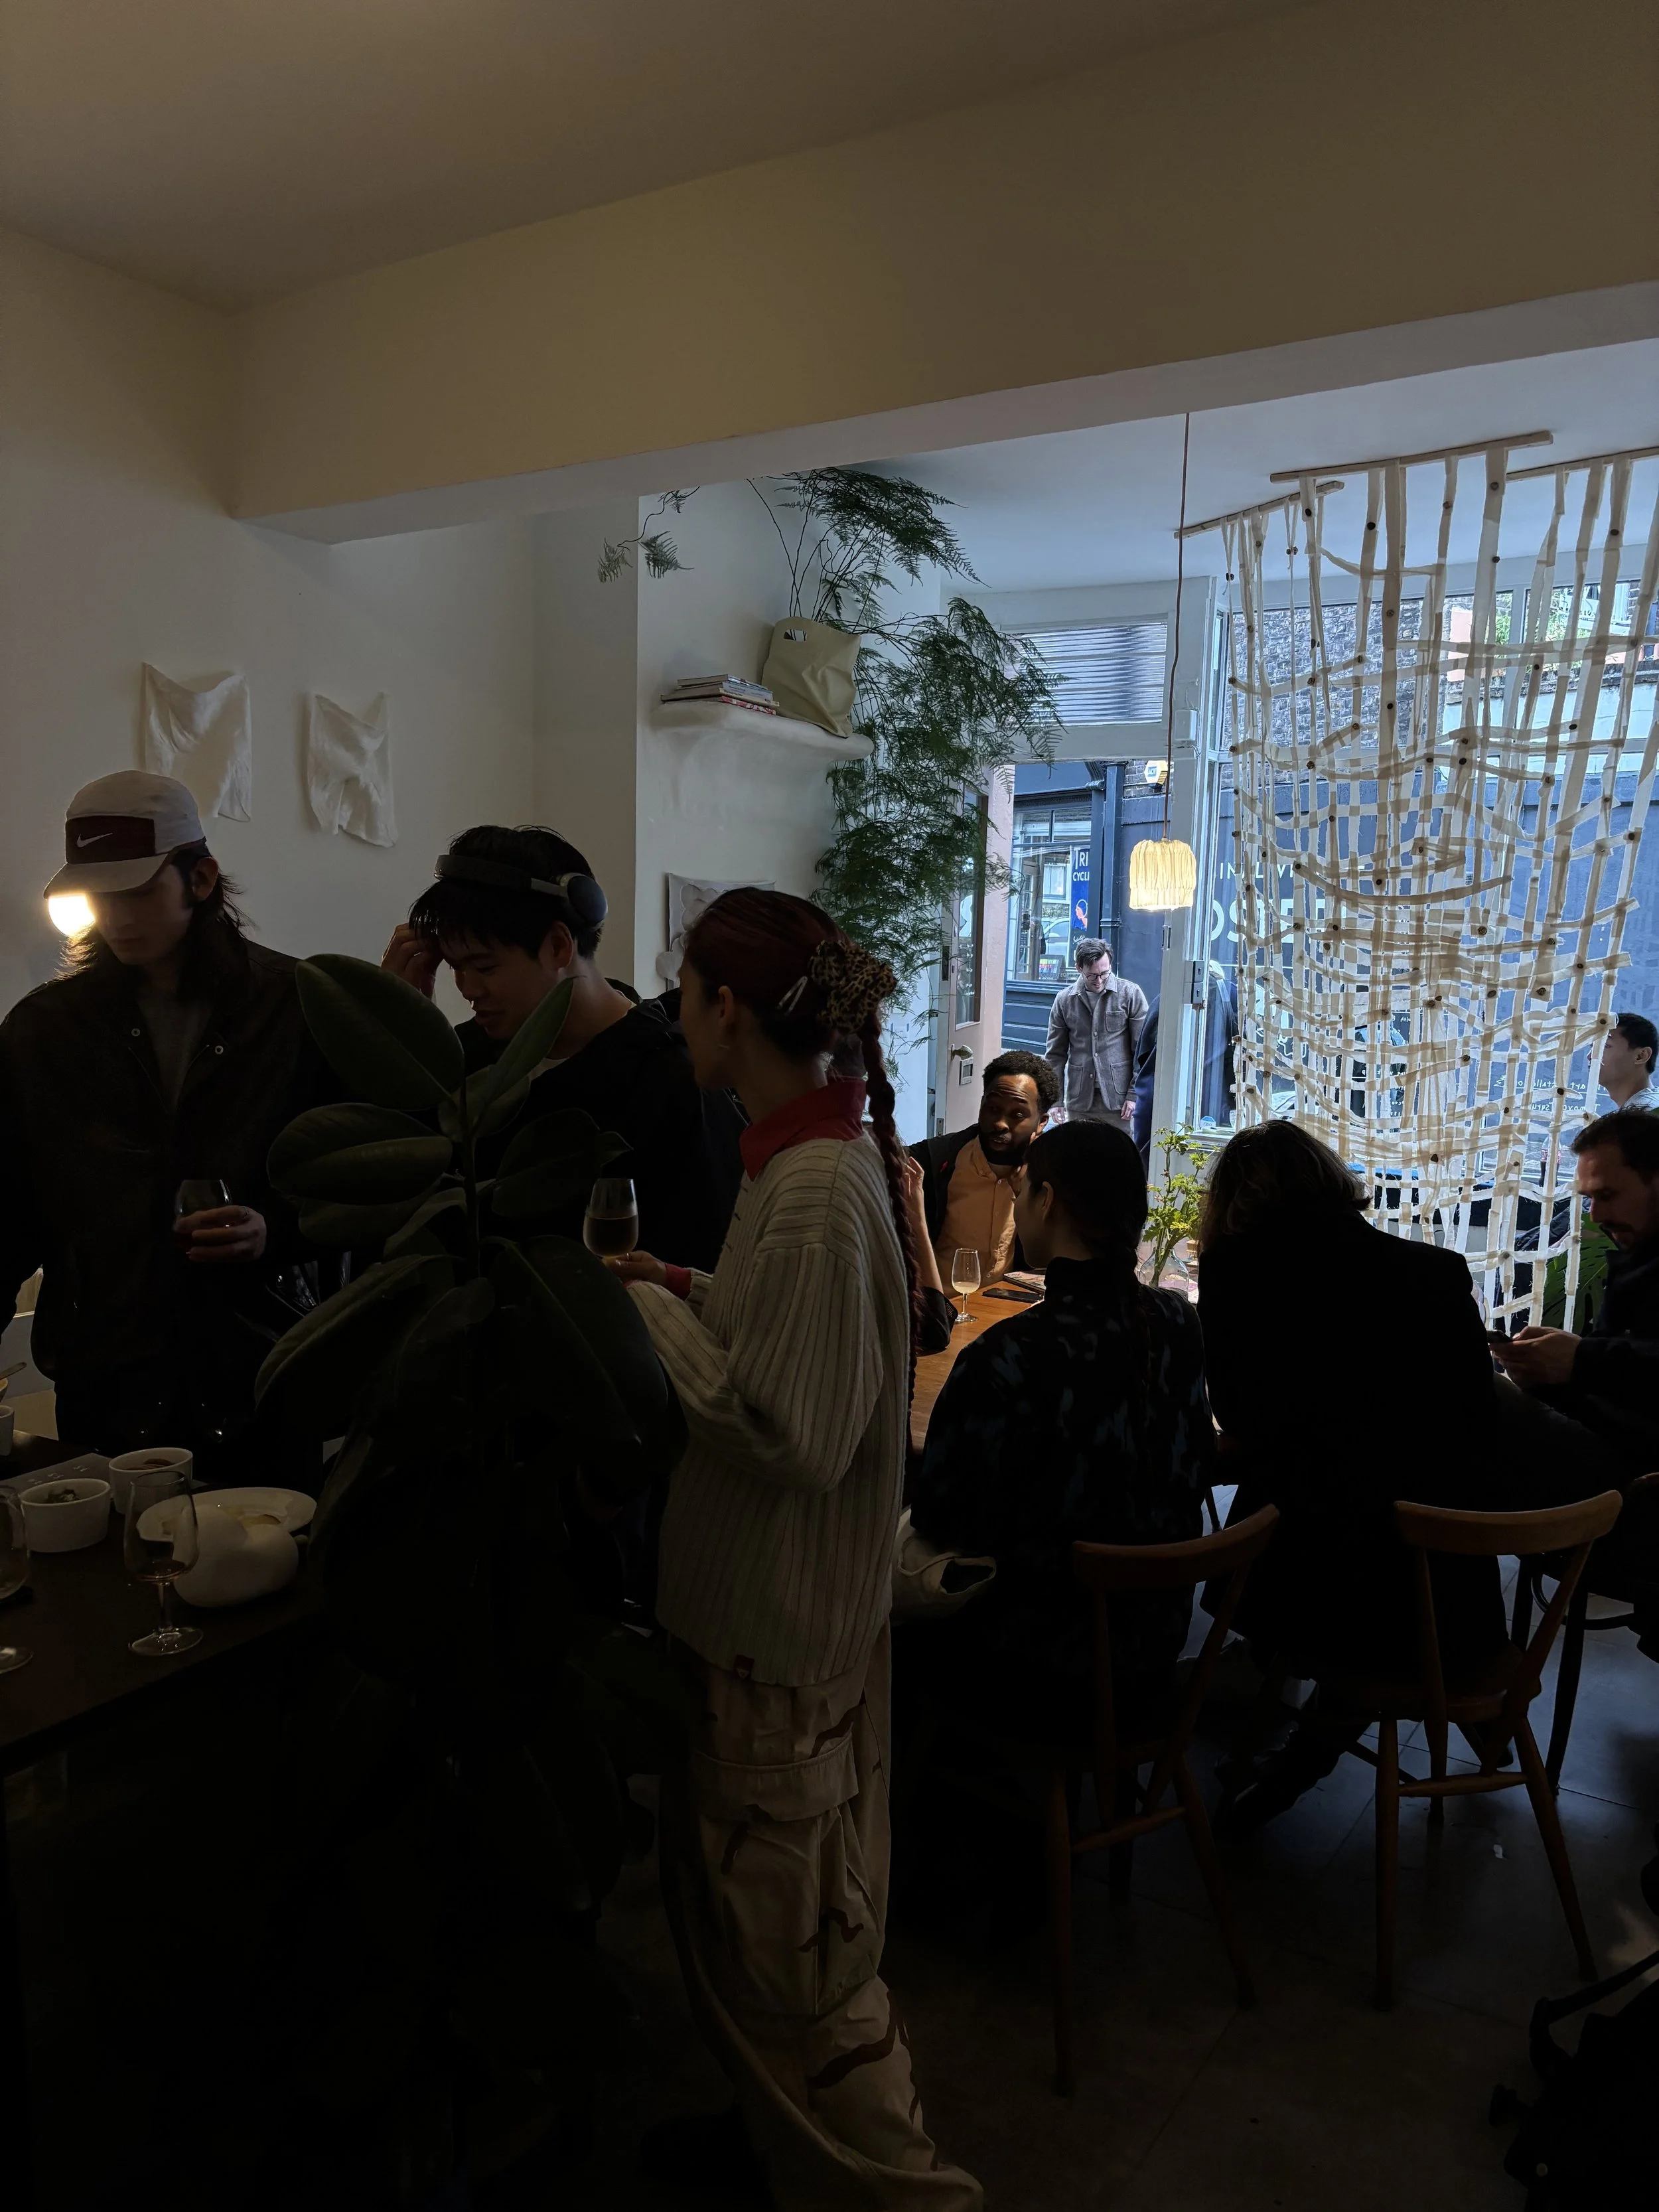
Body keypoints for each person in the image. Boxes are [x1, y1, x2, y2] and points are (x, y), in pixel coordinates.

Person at [607, 888, 979, 2211]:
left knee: (803, 1962)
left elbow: (786, 1425)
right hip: (771, 1625)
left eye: (683, 990)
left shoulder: (816, 1187)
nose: (675, 1015)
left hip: (778, 1638)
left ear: (726, 1008)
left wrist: (650, 1325)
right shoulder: (808, 1159)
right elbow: (789, 1346)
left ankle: (912, 2191)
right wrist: (684, 1288)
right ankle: (772, 2146)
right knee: (757, 1930)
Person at [1197, 1121, 1528, 1834]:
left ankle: (1289, 1748)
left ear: (1237, 1202)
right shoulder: (1436, 1271)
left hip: (1315, 1578)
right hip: (1444, 1582)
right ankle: (1327, 1741)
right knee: (1381, 1530)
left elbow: (1243, 1418)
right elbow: (1474, 1421)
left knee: (1289, 1512)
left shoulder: (1237, 1273)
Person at [0, 772, 332, 1473]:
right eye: (99, 896)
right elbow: (13, 1207)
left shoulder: (300, 1006)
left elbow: (362, 1183)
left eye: (138, 892)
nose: (116, 916)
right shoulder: (43, 1032)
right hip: (107, 1380)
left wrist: (274, 1227)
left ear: (201, 879)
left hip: (263, 1369)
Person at [908, 1121, 1213, 1740]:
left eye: (1023, 1190)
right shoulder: (1178, 1322)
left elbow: (944, 1517)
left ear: (1046, 1201)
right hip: (1155, 1648)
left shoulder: (1010, 1354)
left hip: (1038, 1669)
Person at [384, 824, 743, 1271]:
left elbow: (709, 1270)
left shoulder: (670, 1081)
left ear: (558, 946)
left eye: (485, 967)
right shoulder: (467, 1059)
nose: (467, 989)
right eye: (456, 967)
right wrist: (405, 1035)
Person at [1492, 1110, 1659, 1649]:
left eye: (1607, 1195)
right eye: (1589, 1198)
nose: (1594, 1214)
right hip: (1613, 1462)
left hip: (1636, 1494)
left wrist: (1582, 1360)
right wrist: (1549, 1371)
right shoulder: (1638, 1259)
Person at [908, 1049, 1058, 1290]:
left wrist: (1028, 1198)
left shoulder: (1050, 1178)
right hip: (941, 1307)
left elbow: (1051, 1262)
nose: (1000, 1123)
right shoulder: (934, 1162)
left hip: (1012, 1308)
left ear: (1041, 1122)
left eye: (1017, 1115)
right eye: (993, 1108)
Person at [1045, 937, 1149, 1127]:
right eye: (1092, 975)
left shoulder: (1130, 994)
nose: (1099, 981)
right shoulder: (1064, 1000)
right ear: (1079, 969)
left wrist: (1134, 1095)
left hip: (1120, 1101)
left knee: (1118, 1146)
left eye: (1104, 973)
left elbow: (1142, 1052)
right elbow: (1055, 1055)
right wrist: (1055, 1100)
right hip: (1080, 1099)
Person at [1599, 1010, 1657, 1112]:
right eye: (1593, 1047)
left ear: (1641, 1056)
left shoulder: (1645, 1113)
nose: (1590, 1056)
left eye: (1605, 1046)